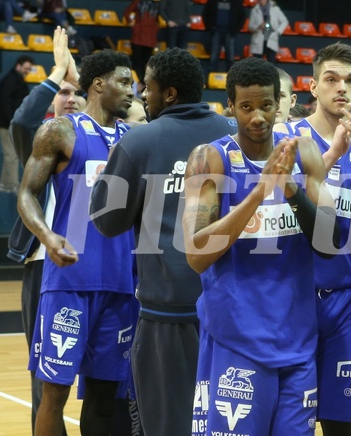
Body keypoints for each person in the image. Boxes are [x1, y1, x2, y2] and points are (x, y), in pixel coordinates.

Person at [181, 57, 337, 436]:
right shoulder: (210, 159)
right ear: (230, 107)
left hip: (297, 339)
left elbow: (330, 243)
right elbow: (197, 255)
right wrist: (259, 193)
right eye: (247, 107)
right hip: (237, 337)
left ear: (279, 101)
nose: (257, 117)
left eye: (266, 105)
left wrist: (291, 190)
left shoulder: (304, 153)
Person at [89, 47, 238, 436]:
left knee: (166, 426)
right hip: (232, 311)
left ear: (169, 93)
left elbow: (106, 222)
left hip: (167, 314)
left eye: (148, 88)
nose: (142, 95)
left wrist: (113, 170)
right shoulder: (233, 136)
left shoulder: (139, 142)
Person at [17, 49, 136, 436]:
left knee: (105, 399)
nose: (131, 91)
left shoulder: (135, 139)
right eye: (123, 82)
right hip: (69, 282)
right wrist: (47, 236)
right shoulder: (61, 130)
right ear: (99, 84)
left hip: (122, 287)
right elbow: (27, 194)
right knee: (53, 395)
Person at [286, 42, 351, 436]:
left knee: (339, 423)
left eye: (350, 80)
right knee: (291, 418)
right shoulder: (290, 138)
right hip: (295, 292)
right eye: (331, 79)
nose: (341, 88)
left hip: (348, 297)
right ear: (313, 86)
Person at [7, 27, 83, 436]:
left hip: (100, 268)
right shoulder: (41, 140)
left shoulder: (106, 141)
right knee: (48, 375)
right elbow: (20, 119)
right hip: (43, 268)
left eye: (77, 92)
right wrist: (56, 71)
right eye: (63, 93)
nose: (70, 99)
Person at [0, 54, 34, 194]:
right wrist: (12, 122)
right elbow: (4, 102)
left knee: (11, 154)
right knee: (11, 155)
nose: (27, 71)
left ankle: (3, 184)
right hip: (6, 123)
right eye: (26, 68)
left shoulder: (17, 80)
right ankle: (12, 184)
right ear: (18, 66)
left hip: (10, 122)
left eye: (29, 69)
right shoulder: (10, 80)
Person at [124, 0, 160, 95]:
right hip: (138, 36)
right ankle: (137, 84)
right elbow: (127, 12)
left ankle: (144, 84)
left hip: (150, 37)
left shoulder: (155, 3)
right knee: (136, 61)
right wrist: (131, 22)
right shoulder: (138, 2)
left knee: (146, 62)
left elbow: (157, 19)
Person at [203, 0, 245, 73]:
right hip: (216, 31)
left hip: (230, 32)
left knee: (230, 58)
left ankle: (231, 79)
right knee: (213, 57)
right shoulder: (212, 1)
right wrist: (210, 27)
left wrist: (236, 29)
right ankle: (211, 79)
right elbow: (205, 14)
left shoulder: (236, 2)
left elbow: (242, 17)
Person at [248, 0, 288, 65]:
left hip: (271, 39)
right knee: (257, 65)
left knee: (271, 64)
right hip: (258, 40)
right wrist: (258, 26)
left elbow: (285, 21)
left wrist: (278, 32)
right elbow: (250, 27)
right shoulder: (254, 10)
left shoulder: (275, 9)